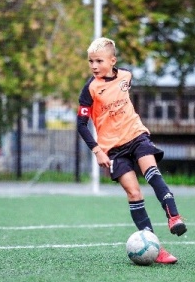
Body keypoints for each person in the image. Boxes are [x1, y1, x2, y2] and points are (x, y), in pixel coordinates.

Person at [77, 37, 187, 264]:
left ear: (112, 60)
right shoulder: (89, 89)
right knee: (134, 194)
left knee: (152, 172)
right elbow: (81, 124)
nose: (94, 66)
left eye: (99, 61)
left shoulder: (126, 75)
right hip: (113, 149)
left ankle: (174, 217)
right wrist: (97, 150)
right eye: (91, 62)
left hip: (136, 136)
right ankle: (156, 248)